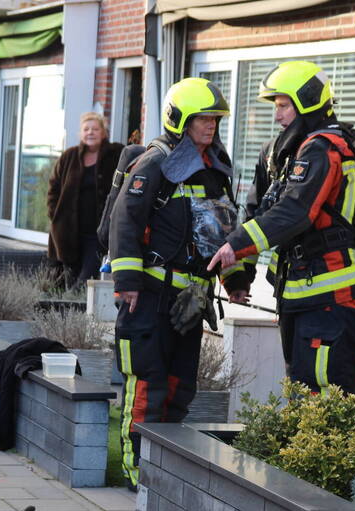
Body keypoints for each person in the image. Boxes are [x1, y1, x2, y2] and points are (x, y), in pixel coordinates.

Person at [209, 61, 355, 399]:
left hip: (335, 298)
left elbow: (295, 213)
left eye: (283, 105)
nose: (277, 116)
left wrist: (235, 246)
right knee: (305, 392)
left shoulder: (324, 148)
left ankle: (336, 455)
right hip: (306, 297)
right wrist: (238, 276)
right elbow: (259, 212)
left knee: (327, 398)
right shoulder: (287, 152)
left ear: (307, 102)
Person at [109, 77, 250, 490]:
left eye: (215, 119)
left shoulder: (215, 169)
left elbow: (219, 231)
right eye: (202, 118)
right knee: (147, 385)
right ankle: (138, 475)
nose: (210, 126)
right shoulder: (155, 163)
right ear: (180, 119)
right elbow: (125, 221)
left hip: (189, 299)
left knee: (179, 387)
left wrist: (236, 278)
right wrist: (128, 282)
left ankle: (164, 472)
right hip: (148, 297)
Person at [47, 112, 124, 289]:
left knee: (85, 280)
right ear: (80, 134)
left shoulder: (116, 155)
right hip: (69, 232)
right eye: (86, 129)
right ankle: (70, 315)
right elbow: (53, 189)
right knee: (70, 279)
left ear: (104, 132)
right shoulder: (69, 157)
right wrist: (55, 216)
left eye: (95, 129)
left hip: (98, 233)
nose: (91, 132)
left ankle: (73, 311)